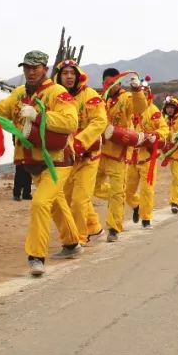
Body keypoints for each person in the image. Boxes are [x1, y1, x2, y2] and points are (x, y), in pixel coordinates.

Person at [0, 50, 80, 276]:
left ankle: (36, 256)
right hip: (32, 161)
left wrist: (38, 116)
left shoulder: (58, 92)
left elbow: (70, 122)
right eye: (27, 68)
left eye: (35, 67)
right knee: (56, 203)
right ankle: (71, 243)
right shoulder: (19, 93)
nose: (31, 72)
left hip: (58, 161)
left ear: (45, 69)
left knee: (40, 203)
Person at [54, 60, 107, 245]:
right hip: (67, 157)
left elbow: (99, 122)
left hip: (89, 157)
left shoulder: (91, 95)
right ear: (59, 76)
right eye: (64, 73)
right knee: (69, 199)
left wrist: (80, 141)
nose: (68, 76)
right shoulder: (56, 97)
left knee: (79, 200)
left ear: (78, 75)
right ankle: (94, 227)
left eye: (72, 73)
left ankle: (79, 238)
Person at [98, 68, 138, 240]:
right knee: (92, 187)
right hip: (99, 152)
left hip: (119, 152)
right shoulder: (100, 100)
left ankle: (114, 228)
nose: (110, 85)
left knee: (116, 191)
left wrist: (138, 91)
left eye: (113, 82)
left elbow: (138, 107)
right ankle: (130, 201)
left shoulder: (126, 98)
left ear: (119, 82)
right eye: (107, 82)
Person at [124, 82, 165, 228]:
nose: (142, 96)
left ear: (149, 94)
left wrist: (155, 135)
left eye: (145, 93)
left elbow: (164, 129)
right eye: (140, 93)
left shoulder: (153, 111)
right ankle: (136, 206)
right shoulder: (130, 109)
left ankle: (146, 218)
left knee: (147, 190)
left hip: (147, 156)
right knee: (127, 191)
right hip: (132, 157)